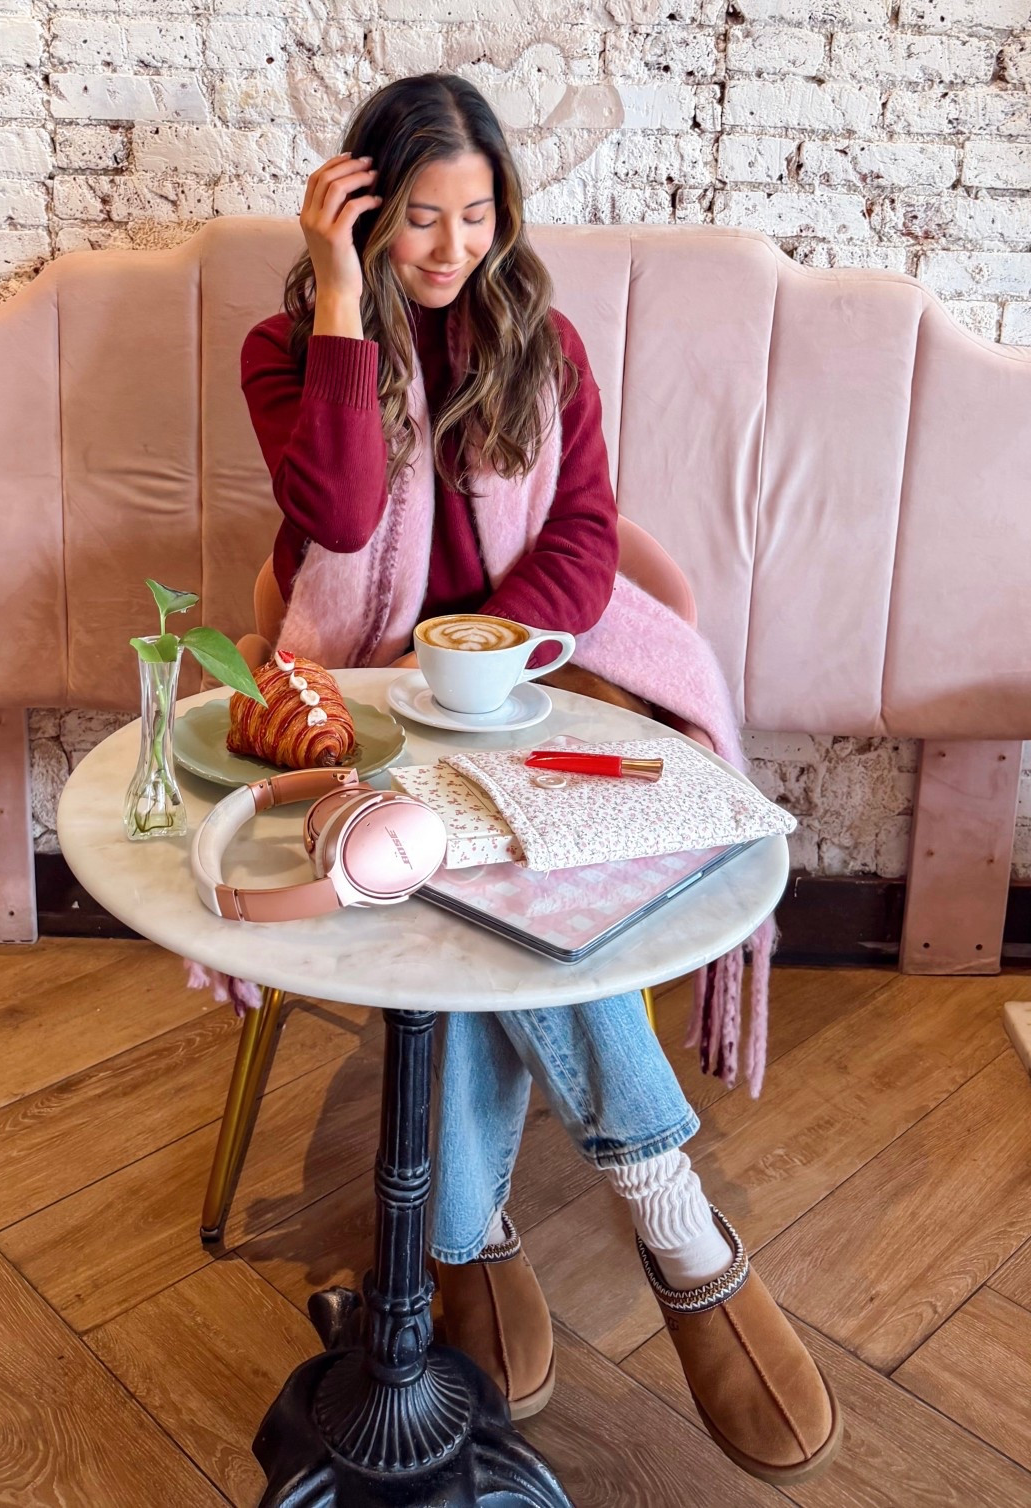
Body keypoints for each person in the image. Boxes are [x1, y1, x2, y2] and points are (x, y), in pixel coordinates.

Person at [239, 72, 841, 1486]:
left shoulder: (540, 340)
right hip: (368, 704)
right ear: (365, 213)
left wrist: (504, 651)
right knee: (467, 888)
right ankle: (620, 1231)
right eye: (418, 223)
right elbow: (328, 513)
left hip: (523, 680)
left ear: (506, 214)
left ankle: (526, 1232)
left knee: (512, 876)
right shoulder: (288, 342)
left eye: (477, 216)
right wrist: (338, 295)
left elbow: (581, 530)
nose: (450, 251)